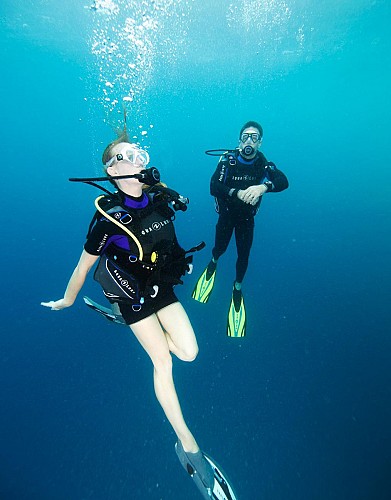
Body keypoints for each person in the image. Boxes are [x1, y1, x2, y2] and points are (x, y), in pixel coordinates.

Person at [41, 129, 216, 491]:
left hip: (159, 284)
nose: (136, 159)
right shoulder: (108, 220)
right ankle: (188, 445)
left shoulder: (157, 195)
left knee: (190, 352)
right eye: (126, 155)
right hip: (129, 291)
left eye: (138, 152)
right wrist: (69, 299)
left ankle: (136, 324)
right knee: (163, 362)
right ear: (111, 170)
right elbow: (82, 268)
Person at [192, 120, 289, 337]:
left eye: (254, 137)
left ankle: (237, 287)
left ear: (260, 143)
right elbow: (213, 186)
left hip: (246, 219)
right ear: (239, 140)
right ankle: (214, 263)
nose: (249, 141)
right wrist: (236, 193)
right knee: (219, 248)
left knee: (243, 255)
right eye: (245, 136)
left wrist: (263, 187)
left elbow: (283, 181)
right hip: (226, 217)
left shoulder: (263, 164)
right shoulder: (228, 161)